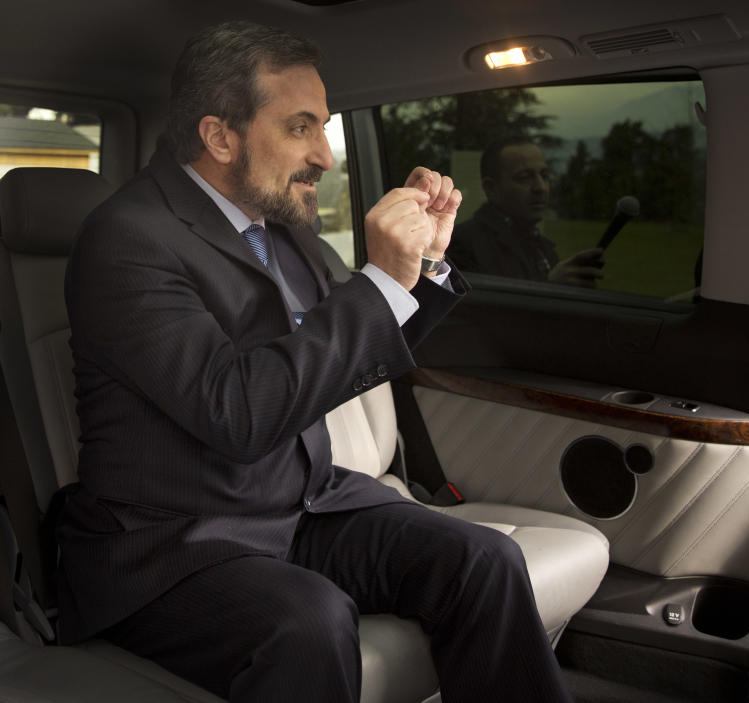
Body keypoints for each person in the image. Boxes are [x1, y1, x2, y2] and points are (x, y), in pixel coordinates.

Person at [55, 21, 573, 703]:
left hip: (303, 503)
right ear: (219, 136)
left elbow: (350, 350)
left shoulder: (284, 231)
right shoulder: (126, 240)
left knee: (487, 559)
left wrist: (422, 268)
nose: (325, 156)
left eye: (323, 128)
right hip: (178, 542)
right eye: (302, 128)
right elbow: (237, 413)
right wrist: (382, 281)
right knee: (309, 622)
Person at [449, 136, 605, 287]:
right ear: (491, 188)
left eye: (545, 176)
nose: (541, 187)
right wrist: (551, 286)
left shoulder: (543, 247)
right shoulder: (464, 245)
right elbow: (478, 311)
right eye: (524, 178)